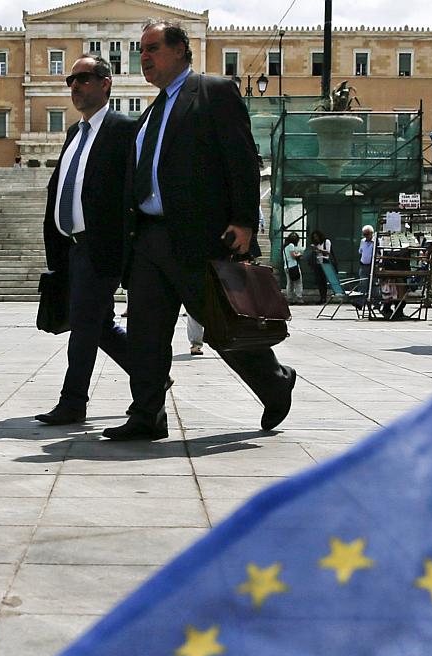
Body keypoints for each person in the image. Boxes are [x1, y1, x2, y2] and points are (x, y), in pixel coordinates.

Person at [105, 20, 296, 441]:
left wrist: (245, 220)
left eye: (152, 48)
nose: (144, 57)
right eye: (141, 50)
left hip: (200, 236)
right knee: (145, 332)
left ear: (179, 50)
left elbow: (242, 159)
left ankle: (274, 380)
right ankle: (147, 414)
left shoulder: (212, 92)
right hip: (149, 237)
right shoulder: (151, 110)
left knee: (222, 325)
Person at [35, 54, 137, 426]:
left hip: (102, 244)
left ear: (105, 84)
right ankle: (151, 374)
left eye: (84, 78)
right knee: (99, 323)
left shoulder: (124, 130)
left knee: (83, 323)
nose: (75, 86)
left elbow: (131, 191)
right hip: (71, 246)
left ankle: (73, 401)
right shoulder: (74, 133)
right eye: (71, 81)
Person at [308, 229, 332, 304]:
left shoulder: (326, 242)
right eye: (314, 237)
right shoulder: (316, 244)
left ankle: (324, 297)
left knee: (324, 281)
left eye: (317, 237)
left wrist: (318, 249)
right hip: (317, 264)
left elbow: (328, 252)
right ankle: (322, 297)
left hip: (325, 263)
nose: (316, 238)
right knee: (319, 282)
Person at [282, 231, 303, 304]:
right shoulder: (291, 245)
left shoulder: (285, 247)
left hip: (287, 266)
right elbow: (293, 255)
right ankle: (299, 298)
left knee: (289, 283)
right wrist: (299, 254)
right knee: (298, 283)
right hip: (293, 266)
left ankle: (290, 298)